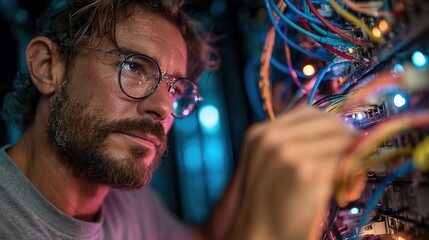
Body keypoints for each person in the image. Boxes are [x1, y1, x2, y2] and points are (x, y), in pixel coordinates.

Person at [0, 0, 362, 239]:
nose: (162, 107)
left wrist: (263, 147)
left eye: (175, 89)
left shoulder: (126, 206)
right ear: (47, 67)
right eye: (134, 67)